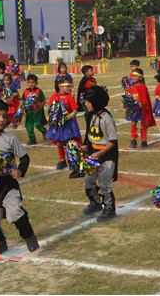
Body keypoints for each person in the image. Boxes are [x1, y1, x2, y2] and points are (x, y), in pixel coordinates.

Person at [0, 99, 40, 254]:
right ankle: (0, 242)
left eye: (4, 116)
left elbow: (24, 158)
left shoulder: (10, 139)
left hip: (8, 184)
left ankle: (30, 237)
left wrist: (20, 171)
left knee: (15, 213)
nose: (1, 120)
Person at [80, 86, 119, 222]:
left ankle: (109, 208)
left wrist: (100, 153)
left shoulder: (107, 118)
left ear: (96, 102)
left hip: (106, 155)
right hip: (93, 155)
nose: (85, 104)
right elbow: (90, 136)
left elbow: (113, 141)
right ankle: (95, 202)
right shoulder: (91, 116)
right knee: (88, 180)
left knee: (104, 183)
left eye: (88, 101)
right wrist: (86, 147)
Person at [46, 78, 82, 170]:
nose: (69, 88)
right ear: (60, 86)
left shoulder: (69, 97)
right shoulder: (54, 96)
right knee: (59, 142)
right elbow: (51, 108)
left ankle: (72, 160)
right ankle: (62, 160)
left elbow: (75, 111)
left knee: (70, 142)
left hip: (68, 124)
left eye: (70, 86)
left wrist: (66, 118)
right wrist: (50, 117)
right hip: (58, 125)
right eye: (67, 86)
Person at [126, 69, 155, 149]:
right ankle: (133, 139)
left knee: (143, 124)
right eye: (133, 75)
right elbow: (128, 97)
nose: (134, 77)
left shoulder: (143, 87)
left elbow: (145, 99)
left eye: (136, 76)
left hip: (142, 109)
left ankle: (144, 140)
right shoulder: (130, 87)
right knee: (133, 123)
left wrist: (140, 103)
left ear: (141, 77)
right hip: (134, 109)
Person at [22, 75, 48, 146]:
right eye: (29, 82)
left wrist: (39, 108)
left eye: (33, 82)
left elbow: (43, 101)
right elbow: (23, 100)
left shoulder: (39, 91)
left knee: (37, 124)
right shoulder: (25, 91)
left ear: (36, 83)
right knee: (28, 125)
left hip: (37, 111)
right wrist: (22, 109)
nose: (31, 84)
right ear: (27, 83)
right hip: (28, 111)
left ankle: (45, 131)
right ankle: (32, 138)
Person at [77, 65, 97, 132]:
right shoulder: (84, 81)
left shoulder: (93, 79)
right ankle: (88, 124)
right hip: (85, 100)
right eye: (91, 70)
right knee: (88, 111)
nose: (93, 72)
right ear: (86, 73)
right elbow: (81, 90)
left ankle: (93, 123)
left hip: (92, 99)